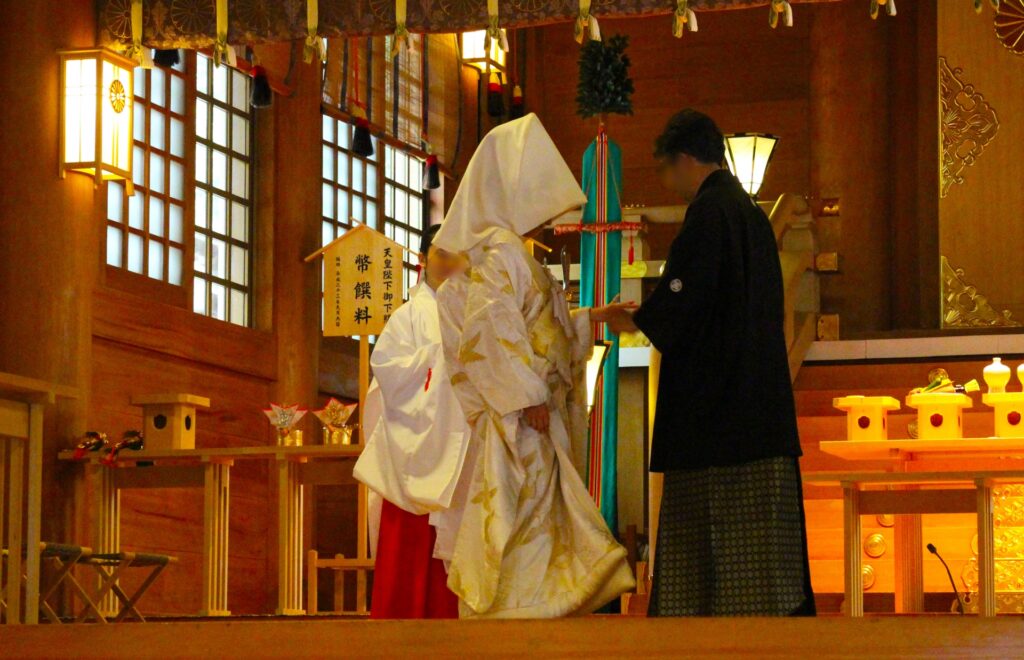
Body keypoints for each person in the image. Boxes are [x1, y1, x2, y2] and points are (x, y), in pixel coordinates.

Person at [603, 109, 815, 617]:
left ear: (682, 160)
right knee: (763, 558)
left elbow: (686, 298)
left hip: (716, 418)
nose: (666, 182)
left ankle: (707, 636)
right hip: (756, 406)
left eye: (664, 170)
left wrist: (633, 319)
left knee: (708, 547)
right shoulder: (748, 214)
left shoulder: (709, 212)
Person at [433, 113, 636, 619]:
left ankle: (528, 624)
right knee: (529, 526)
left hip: (527, 414)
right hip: (520, 420)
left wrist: (593, 318)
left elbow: (531, 325)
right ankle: (520, 628)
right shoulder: (500, 254)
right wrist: (526, 395)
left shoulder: (506, 254)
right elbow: (491, 330)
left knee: (540, 526)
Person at [353, 223, 472, 619]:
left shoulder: (473, 314)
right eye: (441, 253)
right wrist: (442, 354)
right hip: (418, 450)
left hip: (464, 449)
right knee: (412, 556)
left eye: (458, 252)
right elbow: (387, 373)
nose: (451, 262)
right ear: (423, 260)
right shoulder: (407, 317)